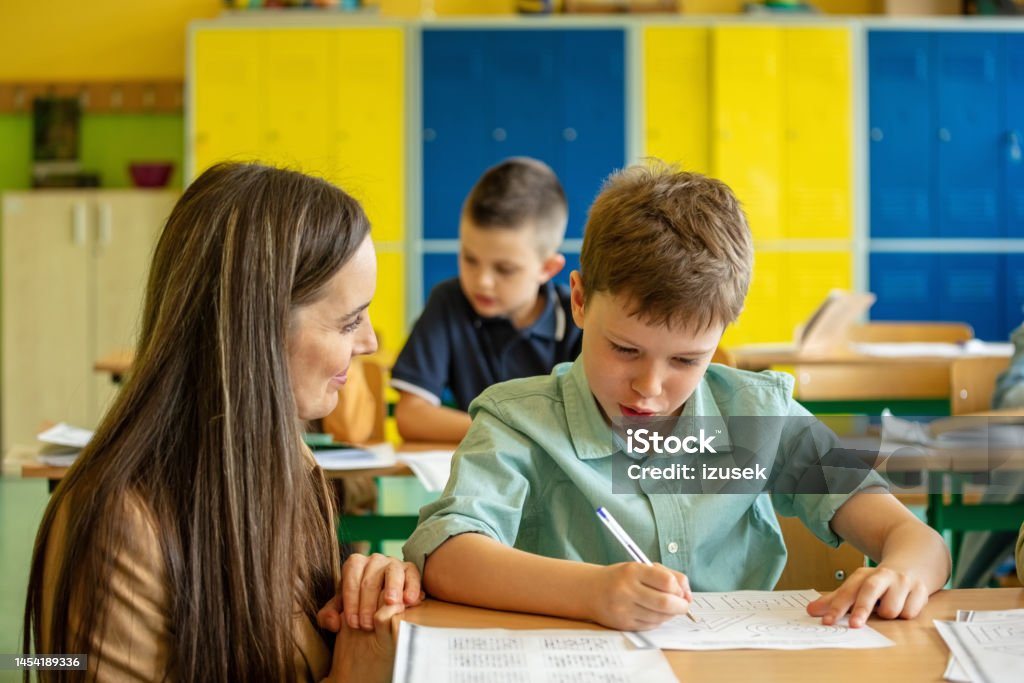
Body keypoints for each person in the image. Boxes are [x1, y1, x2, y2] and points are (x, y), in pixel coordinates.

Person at [403, 163, 951, 631]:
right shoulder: (517, 422)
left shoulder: (757, 417)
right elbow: (446, 555)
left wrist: (901, 572)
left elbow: (916, 539)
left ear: (722, 333)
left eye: (687, 360)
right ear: (578, 302)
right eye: (623, 349)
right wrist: (592, 593)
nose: (649, 386)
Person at [24, 163, 421, 681]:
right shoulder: (119, 524)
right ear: (259, 329)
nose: (369, 342)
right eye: (349, 320)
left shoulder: (293, 460)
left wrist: (367, 593)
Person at [391, 157, 582, 443]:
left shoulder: (578, 319)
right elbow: (411, 415)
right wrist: (519, 432)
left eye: (504, 269)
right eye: (469, 259)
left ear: (548, 269)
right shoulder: (449, 301)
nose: (482, 281)